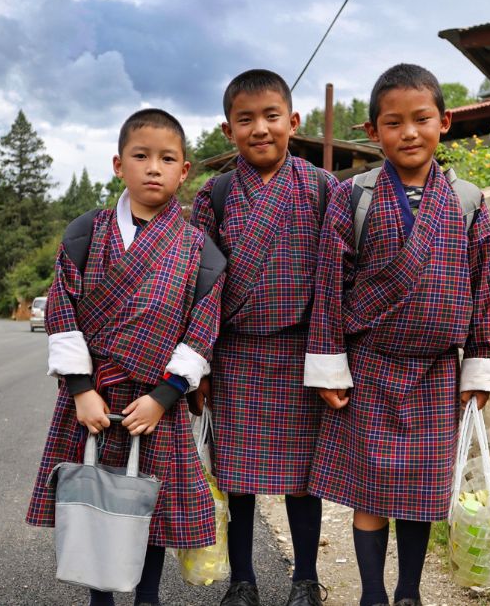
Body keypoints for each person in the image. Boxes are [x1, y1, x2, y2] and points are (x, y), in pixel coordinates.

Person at [303, 64, 490, 606]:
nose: (409, 133)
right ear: (373, 132)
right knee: (370, 491)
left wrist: (480, 367)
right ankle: (372, 594)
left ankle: (409, 593)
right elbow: (329, 284)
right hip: (370, 364)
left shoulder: (467, 201)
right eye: (394, 123)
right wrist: (329, 366)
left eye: (421, 119)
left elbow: (486, 288)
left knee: (422, 493)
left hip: (437, 369)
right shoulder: (355, 197)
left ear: (445, 122)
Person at [26, 108, 226, 606]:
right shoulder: (85, 234)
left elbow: (202, 329)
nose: (153, 168)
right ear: (119, 164)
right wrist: (80, 390)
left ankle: (148, 596)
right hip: (95, 399)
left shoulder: (201, 250)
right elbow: (62, 313)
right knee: (96, 497)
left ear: (185, 171)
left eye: (167, 158)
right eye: (141, 156)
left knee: (148, 504)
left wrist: (164, 395)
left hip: (156, 402)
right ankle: (100, 597)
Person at [190, 68, 337, 606]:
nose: (259, 129)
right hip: (236, 353)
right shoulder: (217, 193)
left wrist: (332, 361)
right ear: (227, 130)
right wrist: (199, 365)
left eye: (270, 116)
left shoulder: (324, 190)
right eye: (245, 119)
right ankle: (243, 580)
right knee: (237, 475)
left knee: (303, 477)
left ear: (292, 122)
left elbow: (334, 284)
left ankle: (305, 580)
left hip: (301, 354)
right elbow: (200, 286)